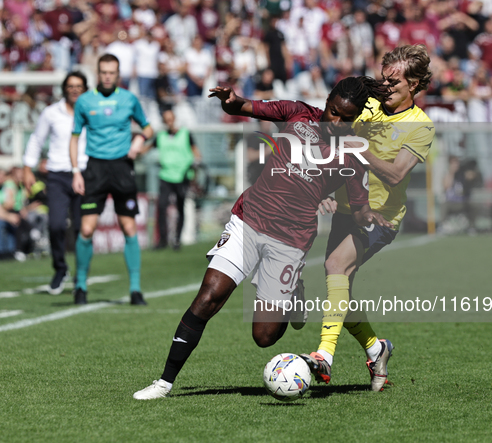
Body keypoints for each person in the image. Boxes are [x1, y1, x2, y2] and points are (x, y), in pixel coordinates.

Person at [133, 76, 394, 400]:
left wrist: (368, 216)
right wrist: (231, 100)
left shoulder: (352, 154)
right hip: (249, 221)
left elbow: (358, 207)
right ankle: (164, 383)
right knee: (209, 296)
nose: (335, 120)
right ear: (326, 103)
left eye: (345, 117)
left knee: (265, 336)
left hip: (290, 240)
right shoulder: (297, 113)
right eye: (332, 110)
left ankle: (293, 295)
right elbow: (247, 106)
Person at [301, 44, 435, 392]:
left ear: (415, 84)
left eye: (394, 81)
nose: (386, 86)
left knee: (334, 266)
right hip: (348, 210)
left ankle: (324, 356)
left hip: (381, 217)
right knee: (339, 288)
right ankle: (377, 349)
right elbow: (333, 138)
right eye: (383, 78)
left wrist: (358, 150)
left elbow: (394, 174)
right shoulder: (367, 105)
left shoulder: (420, 126)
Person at [70, 53, 153, 306]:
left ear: (118, 75)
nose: (107, 76)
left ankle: (136, 289)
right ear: (98, 73)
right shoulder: (84, 101)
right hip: (94, 168)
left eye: (112, 72)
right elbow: (74, 137)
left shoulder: (129, 99)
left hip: (122, 168)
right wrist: (76, 170)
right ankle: (81, 285)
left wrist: (139, 140)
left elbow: (148, 128)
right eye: (103, 72)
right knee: (86, 229)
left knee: (129, 228)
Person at [23, 71, 89, 295]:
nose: (74, 89)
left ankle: (81, 274)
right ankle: (60, 268)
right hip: (58, 175)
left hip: (85, 174)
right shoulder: (51, 113)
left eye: (79, 85)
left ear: (85, 88)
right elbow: (36, 139)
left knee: (82, 229)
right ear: (64, 89)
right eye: (70, 85)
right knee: (56, 224)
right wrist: (27, 168)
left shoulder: (91, 111)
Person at [151, 108, 201, 250]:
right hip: (166, 175)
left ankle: (177, 240)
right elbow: (147, 148)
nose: (169, 122)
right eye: (166, 120)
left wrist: (195, 168)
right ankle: (162, 240)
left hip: (182, 176)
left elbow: (196, 152)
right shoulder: (161, 136)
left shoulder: (185, 133)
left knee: (180, 207)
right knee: (162, 206)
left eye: (171, 119)